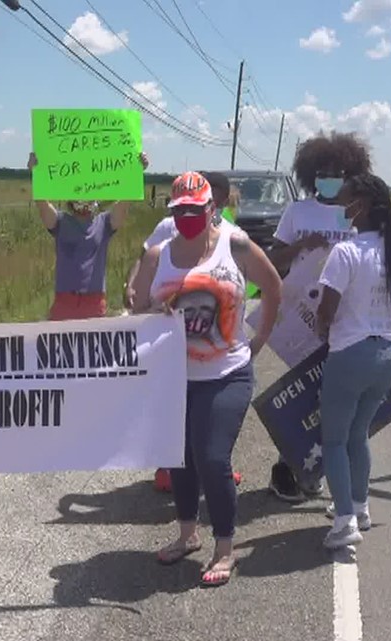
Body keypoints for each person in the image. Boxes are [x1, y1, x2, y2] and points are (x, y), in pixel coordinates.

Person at [130, 171, 282, 586]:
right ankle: (187, 534)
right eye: (180, 211)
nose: (188, 218)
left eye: (196, 210)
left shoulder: (236, 246)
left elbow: (273, 287)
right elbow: (137, 312)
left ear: (211, 208)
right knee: (180, 457)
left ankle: (225, 548)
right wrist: (151, 315)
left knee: (213, 458)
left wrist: (261, 338)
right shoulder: (156, 256)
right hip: (173, 377)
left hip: (227, 373)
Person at [314, 173, 391, 549]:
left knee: (333, 441)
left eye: (345, 200)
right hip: (386, 356)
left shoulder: (345, 252)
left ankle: (344, 521)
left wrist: (325, 326)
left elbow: (325, 310)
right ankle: (359, 506)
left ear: (360, 205)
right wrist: (381, 306)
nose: (341, 207)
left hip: (350, 354)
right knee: (358, 435)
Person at [267, 131, 373, 503]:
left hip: (347, 321)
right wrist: (301, 245)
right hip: (301, 319)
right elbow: (273, 263)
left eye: (339, 171)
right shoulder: (297, 212)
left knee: (338, 403)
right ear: (311, 174)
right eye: (323, 171)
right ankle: (287, 468)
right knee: (300, 399)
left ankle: (323, 472)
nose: (331, 177)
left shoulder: (359, 214)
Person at [125, 171, 244, 493]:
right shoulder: (167, 227)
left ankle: (215, 469)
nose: (190, 214)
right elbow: (145, 256)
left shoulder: (230, 231)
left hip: (210, 349)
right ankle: (169, 468)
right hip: (170, 347)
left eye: (218, 196)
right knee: (173, 414)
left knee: (211, 421)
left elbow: (247, 279)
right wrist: (134, 286)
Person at [28, 151, 149, 321]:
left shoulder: (104, 223)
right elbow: (42, 204)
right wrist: (35, 173)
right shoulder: (60, 222)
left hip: (94, 304)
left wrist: (137, 172)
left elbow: (124, 204)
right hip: (64, 304)